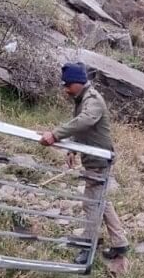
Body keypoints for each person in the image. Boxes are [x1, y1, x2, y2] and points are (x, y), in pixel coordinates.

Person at [39, 63, 129, 263]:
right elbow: (82, 129)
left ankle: (87, 247)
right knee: (101, 202)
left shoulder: (92, 100)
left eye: (68, 85)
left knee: (90, 204)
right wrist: (72, 149)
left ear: (79, 83)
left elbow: (85, 121)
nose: (65, 89)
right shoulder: (81, 99)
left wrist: (55, 135)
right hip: (93, 160)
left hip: (99, 162)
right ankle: (120, 242)